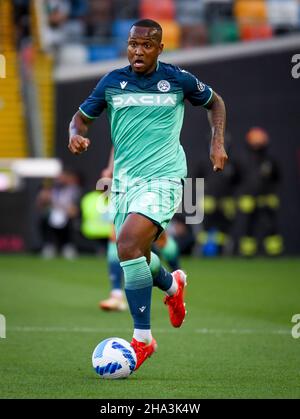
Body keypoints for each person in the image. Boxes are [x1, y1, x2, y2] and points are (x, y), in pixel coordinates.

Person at [68, 19, 227, 371]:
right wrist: (74, 135)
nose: (138, 51)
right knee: (134, 255)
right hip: (125, 183)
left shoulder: (178, 80)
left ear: (159, 48)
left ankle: (142, 341)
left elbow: (215, 103)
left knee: (125, 245)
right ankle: (172, 286)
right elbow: (80, 118)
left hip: (164, 178)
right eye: (133, 44)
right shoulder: (111, 82)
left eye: (147, 45)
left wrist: (216, 142)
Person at [233, 127, 282, 256]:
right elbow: (236, 179)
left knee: (270, 228)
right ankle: (247, 253)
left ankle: (275, 252)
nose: (257, 145)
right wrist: (243, 196)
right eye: (255, 142)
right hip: (248, 200)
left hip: (266, 200)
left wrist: (271, 196)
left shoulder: (270, 160)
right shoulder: (243, 160)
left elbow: (277, 178)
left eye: (259, 143)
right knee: (248, 228)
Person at [36, 169, 82, 259]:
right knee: (45, 218)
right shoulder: (53, 189)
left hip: (67, 214)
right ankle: (49, 245)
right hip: (54, 213)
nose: (59, 180)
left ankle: (67, 246)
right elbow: (40, 204)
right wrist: (44, 196)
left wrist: (68, 210)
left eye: (62, 177)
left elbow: (75, 208)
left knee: (69, 220)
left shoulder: (74, 190)